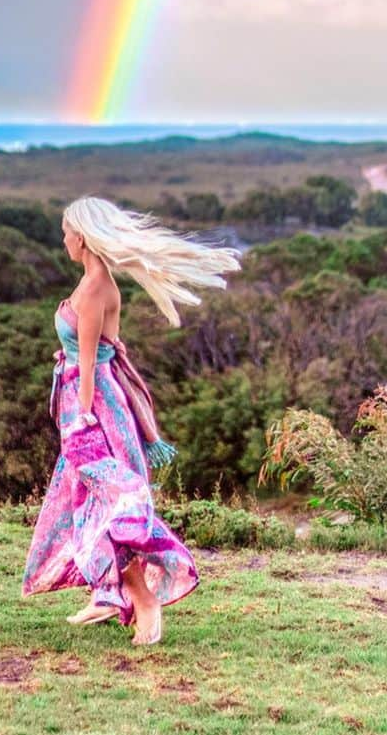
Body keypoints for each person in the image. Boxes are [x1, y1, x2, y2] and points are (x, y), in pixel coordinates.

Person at [21, 195, 241, 645]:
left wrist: (82, 418)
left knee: (109, 499)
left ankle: (137, 597)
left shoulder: (97, 289)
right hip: (87, 399)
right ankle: (123, 596)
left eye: (66, 232)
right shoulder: (90, 285)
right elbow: (83, 353)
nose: (63, 239)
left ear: (81, 235)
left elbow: (87, 363)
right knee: (93, 499)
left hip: (96, 405)